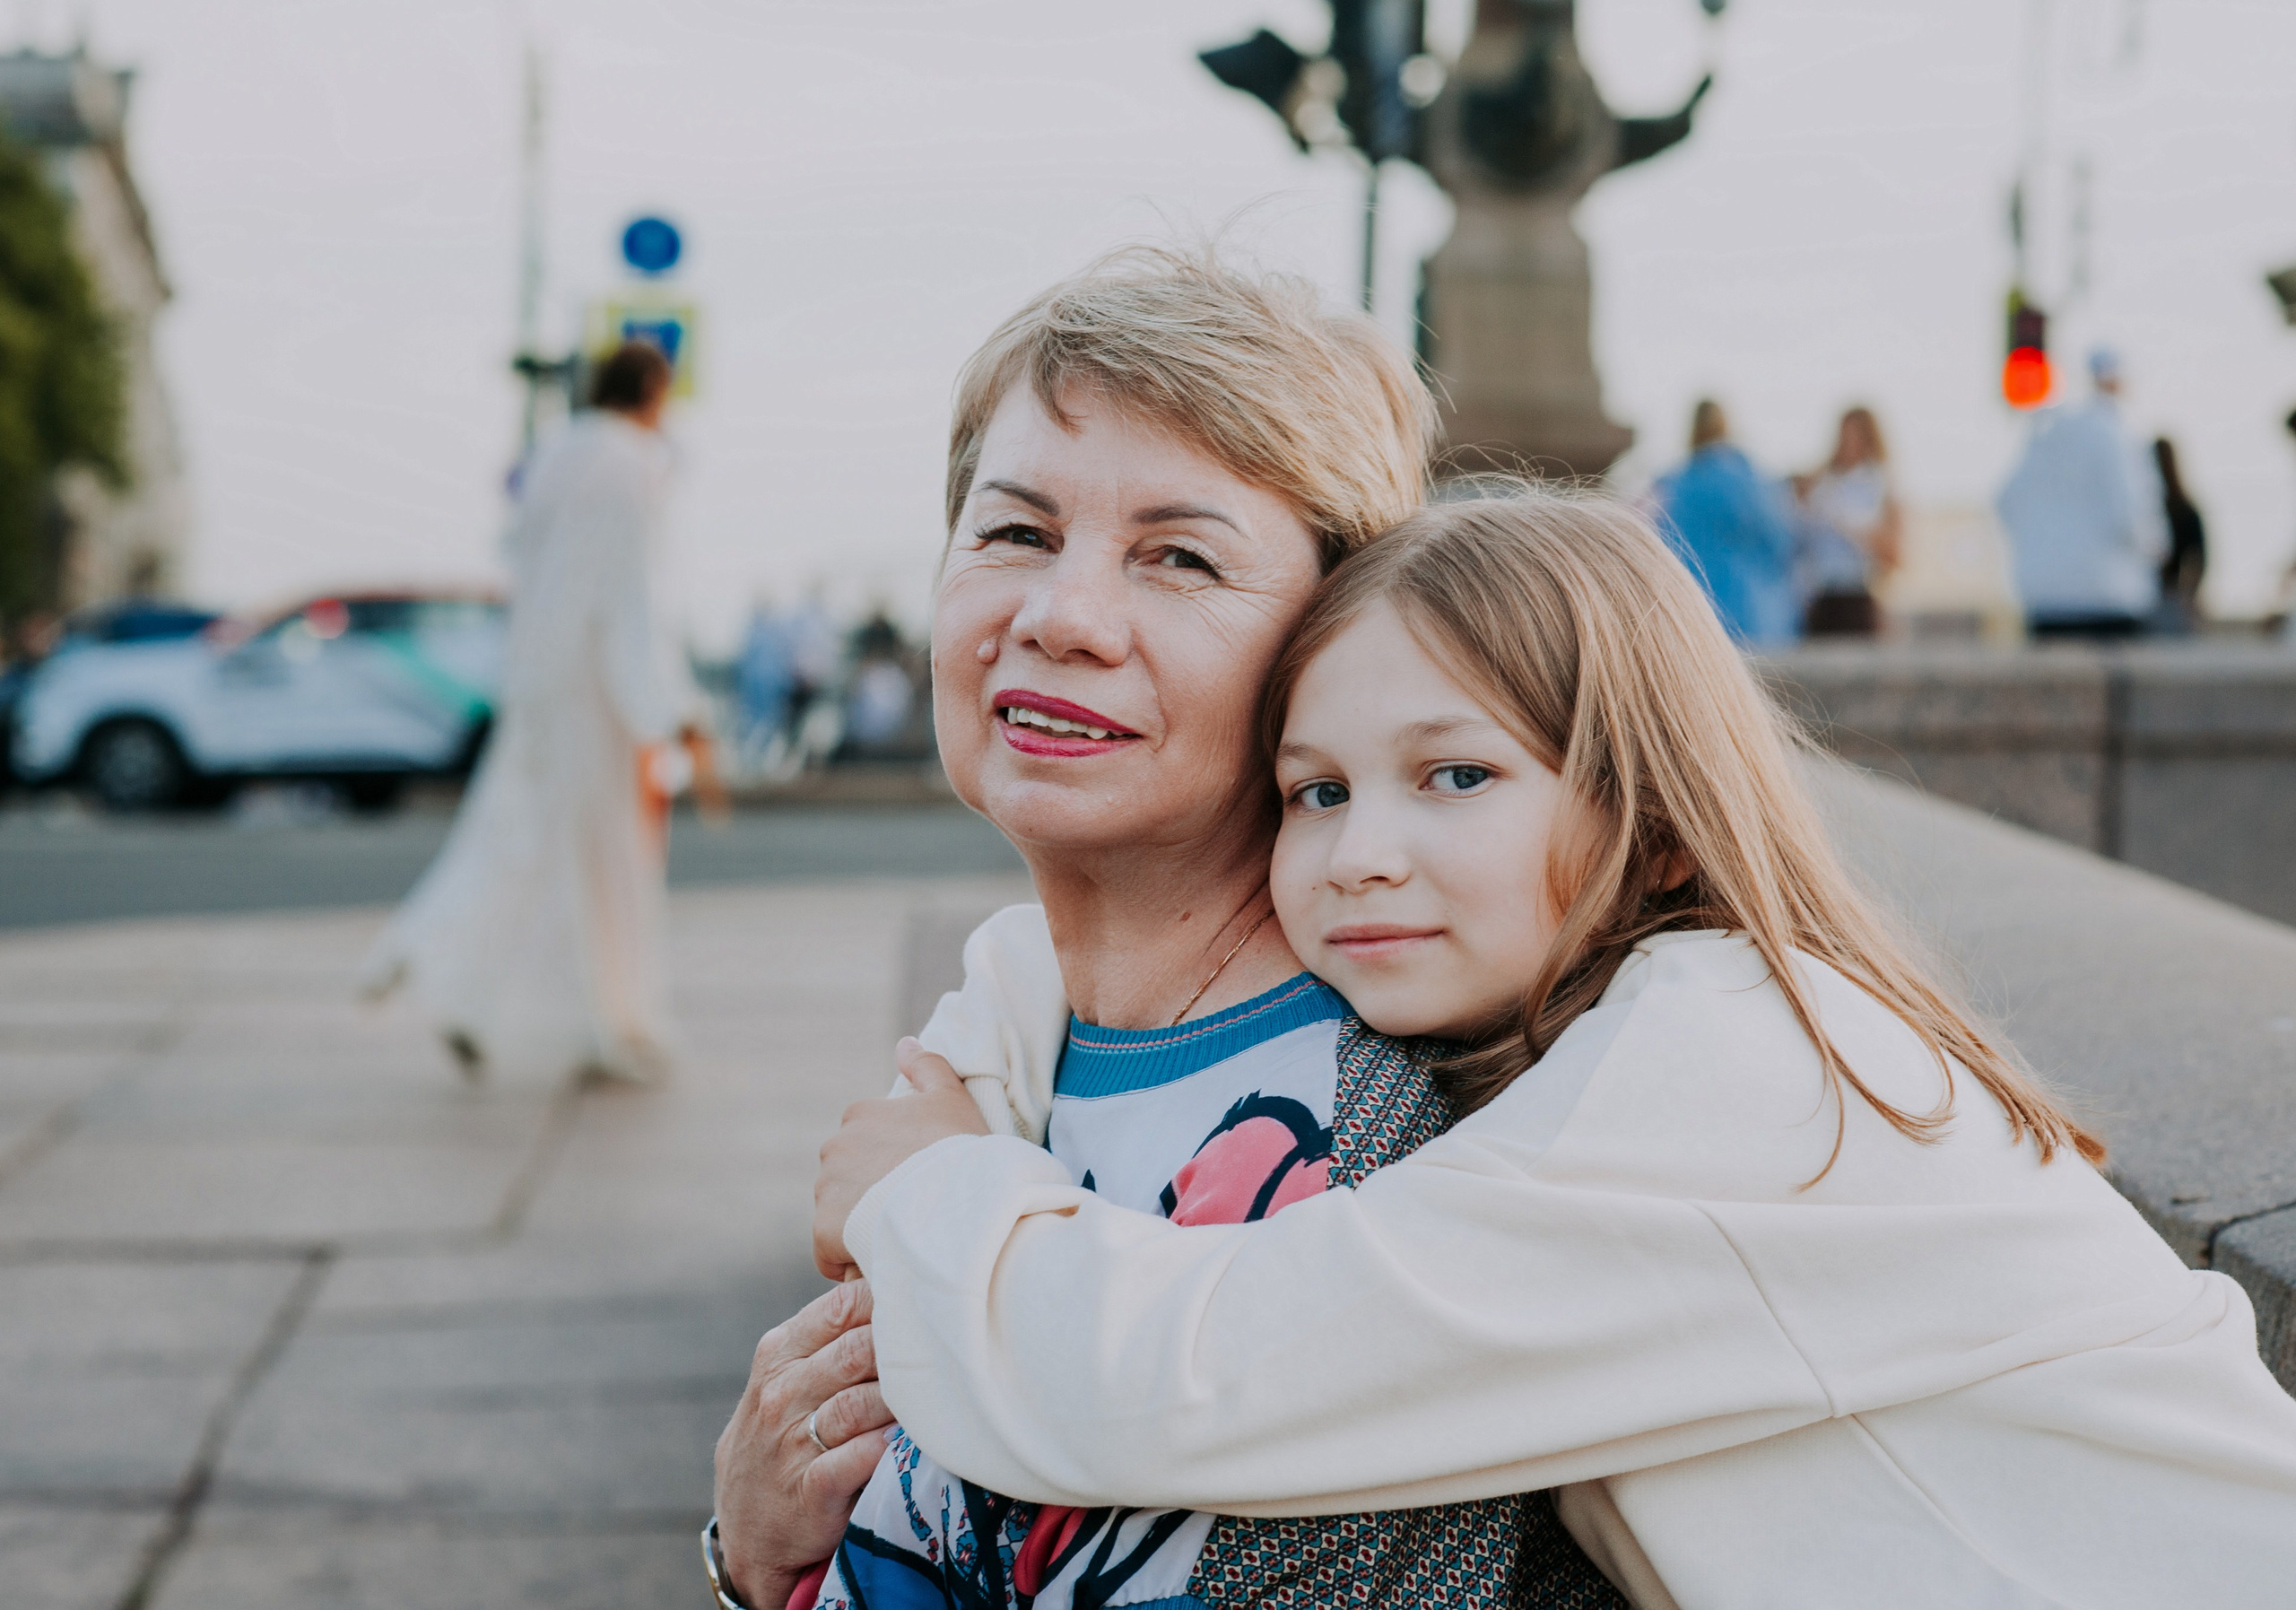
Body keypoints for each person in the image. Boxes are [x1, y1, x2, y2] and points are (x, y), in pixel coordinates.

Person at [811, 488, 2296, 1607]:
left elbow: (1196, 1383)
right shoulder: (1607, 1042)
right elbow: (1054, 963)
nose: (1361, 855)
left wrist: (926, 1189)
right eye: (1314, 791)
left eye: (1456, 775)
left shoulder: (1733, 1066)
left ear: (1653, 835)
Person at [707, 247, 1629, 1610]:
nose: (1062, 615)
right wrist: (750, 1550)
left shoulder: (1373, 1141)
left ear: (1332, 638)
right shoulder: (1004, 1052)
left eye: (1179, 556)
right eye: (1015, 530)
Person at [361, 341, 703, 1083]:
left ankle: (433, 963)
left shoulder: (556, 452)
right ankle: (619, 1023)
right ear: (649, 390)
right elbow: (631, 596)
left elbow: (522, 555)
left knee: (510, 835)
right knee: (608, 861)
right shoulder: (636, 463)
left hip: (535, 681)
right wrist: (668, 708)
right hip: (596, 687)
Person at [1996, 346, 2167, 640]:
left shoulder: (2045, 434)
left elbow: (2006, 502)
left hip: (2046, 599)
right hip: (2110, 597)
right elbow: (2130, 516)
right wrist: (2156, 549)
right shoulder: (2116, 437)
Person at [1650, 399, 1797, 648]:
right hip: (1757, 615)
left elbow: (1659, 543)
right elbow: (1782, 543)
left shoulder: (1674, 482)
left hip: (1693, 612)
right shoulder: (1755, 480)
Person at [1793, 405, 1901, 637]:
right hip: (1820, 599)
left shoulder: (1879, 484)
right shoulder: (1821, 483)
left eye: (1856, 437)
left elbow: (1895, 554)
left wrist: (1854, 525)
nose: (1849, 444)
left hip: (1858, 597)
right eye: (1845, 436)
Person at [2152, 436, 2206, 631]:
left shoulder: (2156, 509)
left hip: (2165, 596)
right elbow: (2200, 559)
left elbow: (2198, 559)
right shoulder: (2185, 508)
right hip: (2171, 598)